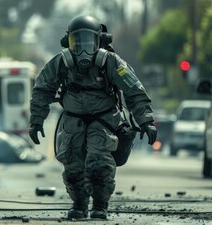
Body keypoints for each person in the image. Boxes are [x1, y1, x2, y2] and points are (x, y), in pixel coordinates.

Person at [29, 15, 157, 220]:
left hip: (103, 121)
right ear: (69, 43)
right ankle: (79, 204)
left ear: (98, 42)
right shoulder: (61, 63)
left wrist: (146, 120)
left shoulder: (111, 62)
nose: (82, 50)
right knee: (72, 166)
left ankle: (99, 205)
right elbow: (42, 89)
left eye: (88, 43)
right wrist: (36, 120)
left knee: (99, 163)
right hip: (73, 122)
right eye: (77, 43)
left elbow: (134, 91)